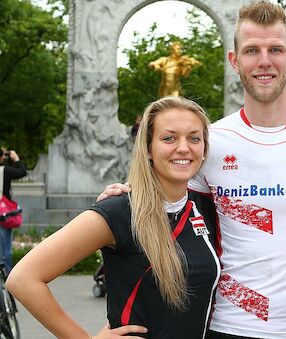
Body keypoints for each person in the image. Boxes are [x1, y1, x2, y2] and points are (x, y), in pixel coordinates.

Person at [99, 2, 286, 338]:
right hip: (227, 326)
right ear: (234, 60)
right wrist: (127, 198)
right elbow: (170, 216)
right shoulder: (211, 142)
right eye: (252, 50)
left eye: (275, 50)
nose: (264, 61)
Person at [7, 97, 220, 338]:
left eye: (194, 138)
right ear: (148, 148)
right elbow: (23, 279)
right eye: (169, 138)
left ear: (204, 149)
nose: (183, 148)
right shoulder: (119, 210)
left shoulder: (205, 206)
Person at [0, 148, 26, 272]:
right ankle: (8, 281)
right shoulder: (4, 171)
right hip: (3, 214)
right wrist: (16, 159)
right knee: (6, 251)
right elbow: (22, 172)